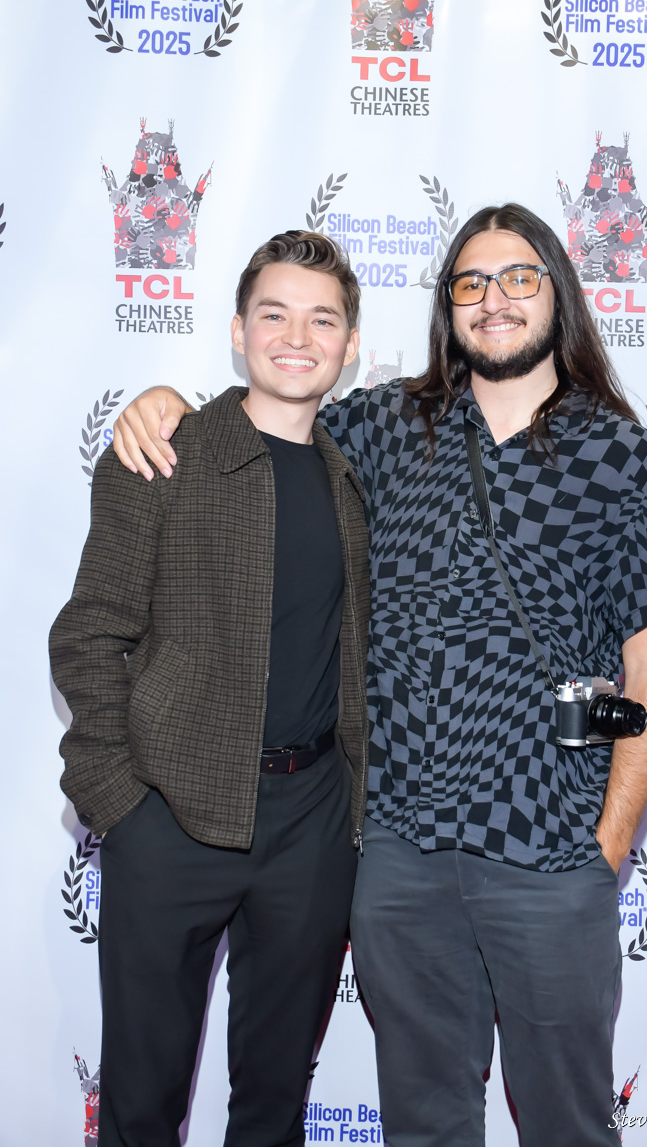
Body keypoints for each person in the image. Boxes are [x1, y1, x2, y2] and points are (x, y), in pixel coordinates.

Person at [112, 203, 647, 1147]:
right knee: (424, 1126)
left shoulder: (624, 459)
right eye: (471, 282)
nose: (494, 300)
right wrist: (162, 401)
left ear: (560, 293)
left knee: (568, 1126)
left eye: (518, 278)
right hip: (401, 856)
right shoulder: (388, 426)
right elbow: (270, 418)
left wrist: (606, 852)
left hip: (551, 860)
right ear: (448, 307)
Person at [50, 231, 370, 1147]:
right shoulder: (166, 450)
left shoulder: (359, 479)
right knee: (142, 1106)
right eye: (274, 314)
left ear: (349, 346)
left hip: (311, 828)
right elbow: (87, 634)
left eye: (322, 319)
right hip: (171, 820)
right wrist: (121, 804)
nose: (296, 336)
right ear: (238, 331)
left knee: (273, 1105)